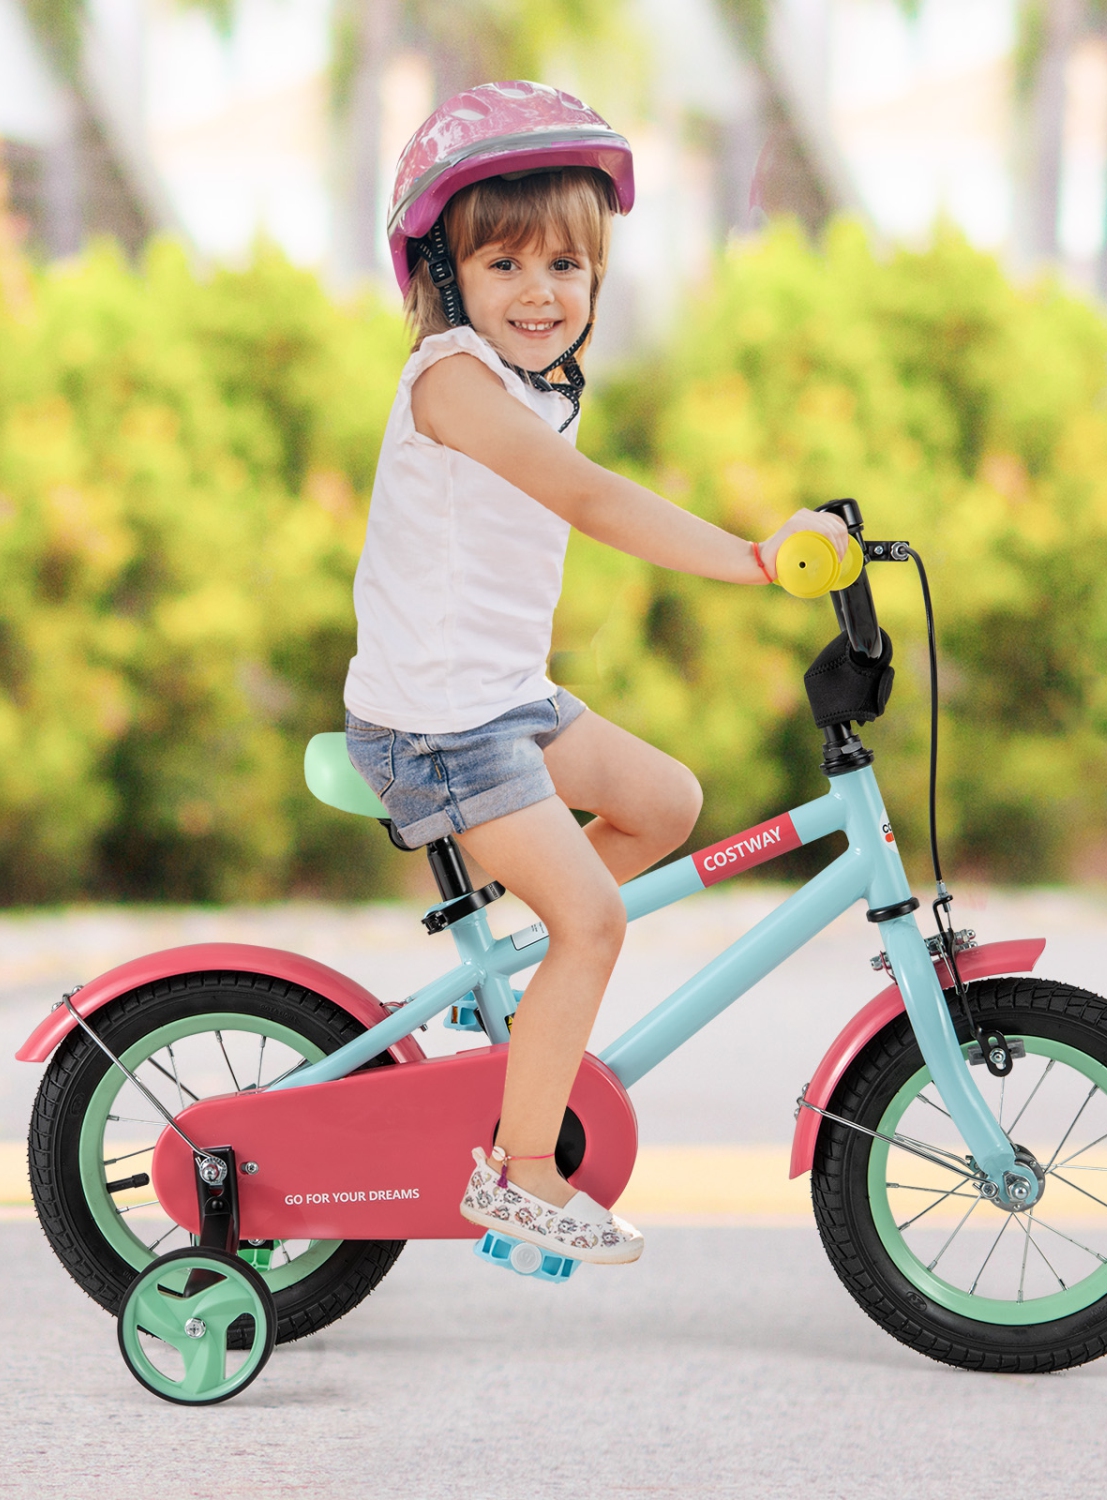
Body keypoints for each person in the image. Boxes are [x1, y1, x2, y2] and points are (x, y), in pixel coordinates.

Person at [344, 81, 850, 1265]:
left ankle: (516, 996)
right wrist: (752, 560)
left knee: (666, 802)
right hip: (435, 726)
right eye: (506, 263)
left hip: (498, 699)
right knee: (596, 920)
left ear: (596, 285)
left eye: (566, 268)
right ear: (445, 275)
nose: (539, 292)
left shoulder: (535, 388)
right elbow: (586, 498)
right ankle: (517, 1174)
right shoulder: (452, 380)